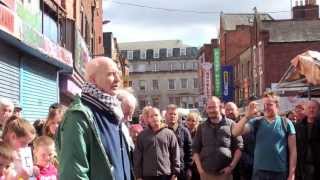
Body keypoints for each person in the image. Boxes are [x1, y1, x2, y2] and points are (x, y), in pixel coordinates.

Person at [56, 57, 132, 180]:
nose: (118, 79)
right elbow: (74, 173)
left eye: (118, 74)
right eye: (110, 74)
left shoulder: (113, 112)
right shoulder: (78, 116)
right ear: (93, 79)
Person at [232, 92, 297, 180]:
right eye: (265, 104)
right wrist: (246, 116)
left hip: (280, 172)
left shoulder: (286, 123)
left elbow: (293, 151)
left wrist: (292, 174)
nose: (266, 107)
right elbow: (235, 132)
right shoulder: (256, 122)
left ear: (277, 106)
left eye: (269, 104)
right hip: (259, 173)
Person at [193, 96, 243, 180]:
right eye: (209, 107)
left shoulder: (231, 124)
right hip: (206, 174)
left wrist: (231, 167)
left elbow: (239, 147)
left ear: (220, 107)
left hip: (225, 174)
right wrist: (200, 170)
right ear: (206, 109)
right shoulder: (201, 127)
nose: (211, 110)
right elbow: (195, 149)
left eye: (214, 107)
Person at [134, 107, 180, 180]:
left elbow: (175, 154)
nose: (154, 118)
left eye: (156, 115)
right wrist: (138, 176)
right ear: (148, 119)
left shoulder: (169, 134)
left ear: (160, 117)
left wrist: (175, 173)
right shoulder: (142, 136)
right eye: (151, 116)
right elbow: (137, 157)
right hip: (147, 176)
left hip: (166, 175)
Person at [2, 116, 36, 180]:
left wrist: (33, 171)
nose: (26, 146)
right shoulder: (2, 155)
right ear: (13, 136)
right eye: (23, 142)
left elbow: (30, 176)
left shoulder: (23, 153)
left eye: (29, 143)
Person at [165, 104, 192, 180]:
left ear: (178, 116)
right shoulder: (162, 132)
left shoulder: (184, 131)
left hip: (182, 171)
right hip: (166, 172)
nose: (172, 116)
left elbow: (189, 151)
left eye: (174, 114)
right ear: (166, 115)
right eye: (170, 114)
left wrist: (189, 169)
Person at [295, 100, 320, 180]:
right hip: (302, 167)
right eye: (309, 108)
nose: (311, 110)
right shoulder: (298, 127)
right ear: (305, 110)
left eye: (314, 108)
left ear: (318, 110)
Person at [185, 112, 201, 180]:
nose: (190, 122)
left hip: (197, 165)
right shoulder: (183, 132)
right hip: (186, 164)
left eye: (193, 120)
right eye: (188, 120)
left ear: (197, 122)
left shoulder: (200, 133)